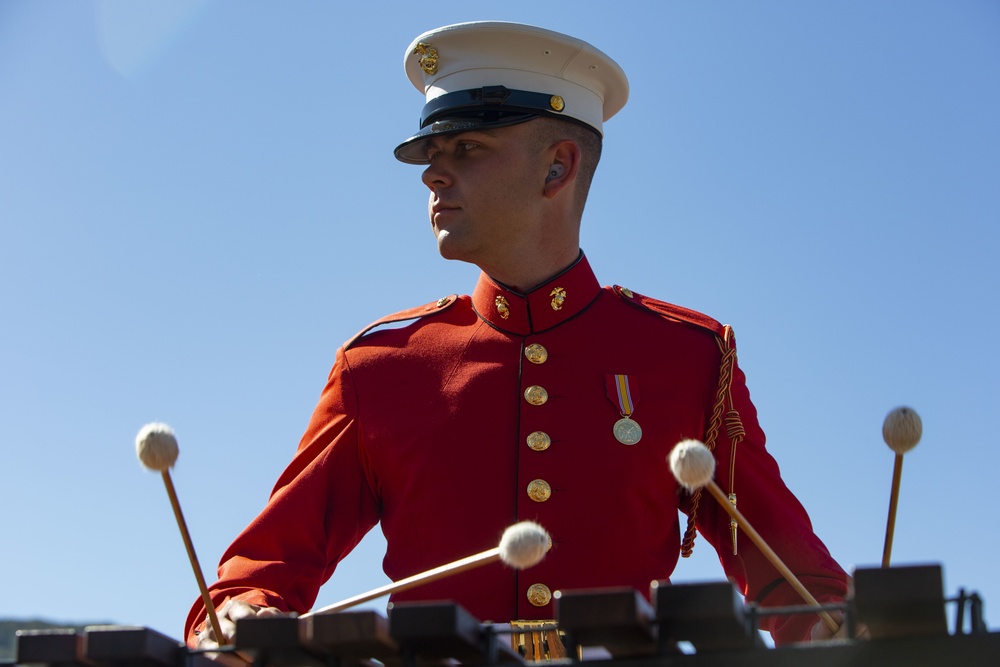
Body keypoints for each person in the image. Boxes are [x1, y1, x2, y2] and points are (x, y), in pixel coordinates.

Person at [186, 21, 849, 651]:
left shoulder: (690, 357)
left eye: (466, 149)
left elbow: (793, 581)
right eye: (431, 155)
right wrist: (241, 614)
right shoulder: (379, 367)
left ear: (558, 167)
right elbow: (261, 571)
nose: (432, 174)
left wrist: (840, 629)